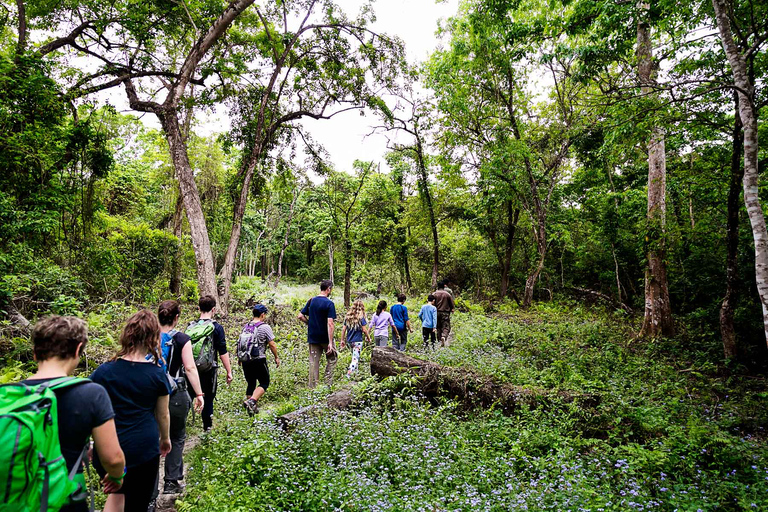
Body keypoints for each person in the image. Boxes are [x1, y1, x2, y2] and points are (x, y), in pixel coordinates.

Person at [21, 316, 126, 512]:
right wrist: (116, 477)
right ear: (78, 350)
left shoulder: (8, 396)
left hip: (16, 500)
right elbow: (113, 458)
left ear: (35, 353)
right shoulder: (90, 394)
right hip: (65, 499)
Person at [90, 309, 172, 512]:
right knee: (138, 501)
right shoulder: (156, 374)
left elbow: (90, 408)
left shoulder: (103, 371)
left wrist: (91, 441)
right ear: (154, 338)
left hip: (109, 446)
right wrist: (165, 439)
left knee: (117, 495)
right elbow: (162, 414)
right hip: (142, 448)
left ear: (128, 335)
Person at [156, 300, 205, 496]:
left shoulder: (147, 337)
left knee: (152, 439)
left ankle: (150, 492)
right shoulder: (182, 339)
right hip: (176, 394)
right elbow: (190, 368)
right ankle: (171, 482)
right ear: (177, 318)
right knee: (176, 436)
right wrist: (199, 394)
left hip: (150, 393)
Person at [189, 295, 233, 431]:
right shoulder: (216, 328)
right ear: (213, 309)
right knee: (208, 398)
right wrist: (229, 371)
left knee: (189, 396)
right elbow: (223, 352)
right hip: (209, 369)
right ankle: (207, 430)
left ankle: (178, 429)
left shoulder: (191, 326)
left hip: (191, 369)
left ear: (198, 308)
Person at [240, 304, 281, 415]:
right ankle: (252, 401)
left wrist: (240, 358)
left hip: (246, 359)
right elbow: (272, 344)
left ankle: (252, 410)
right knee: (264, 382)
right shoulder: (265, 327)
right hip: (258, 359)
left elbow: (241, 343)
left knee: (251, 383)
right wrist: (276, 357)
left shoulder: (246, 326)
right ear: (262, 315)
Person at [298, 280, 338, 388]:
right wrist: (330, 342)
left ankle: (313, 387)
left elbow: (300, 316)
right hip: (325, 337)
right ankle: (327, 383)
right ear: (328, 289)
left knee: (313, 362)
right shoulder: (329, 304)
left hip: (313, 337)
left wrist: (309, 323)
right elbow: (330, 323)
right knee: (332, 358)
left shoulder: (311, 301)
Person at [339, 300, 372, 378]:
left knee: (354, 356)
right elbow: (364, 330)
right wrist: (369, 338)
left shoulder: (348, 317)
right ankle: (349, 374)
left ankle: (355, 374)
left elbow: (343, 329)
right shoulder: (361, 318)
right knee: (355, 359)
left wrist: (342, 340)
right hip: (358, 341)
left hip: (350, 341)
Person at [434, 281, 455, 347]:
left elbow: (432, 303)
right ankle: (444, 336)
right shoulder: (447, 294)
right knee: (446, 326)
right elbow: (452, 303)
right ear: (444, 286)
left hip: (436, 312)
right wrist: (452, 309)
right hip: (445, 312)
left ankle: (439, 341)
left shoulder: (434, 294)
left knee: (438, 327)